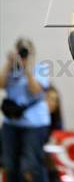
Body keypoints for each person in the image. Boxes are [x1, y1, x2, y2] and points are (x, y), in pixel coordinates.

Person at [0, 37, 50, 182]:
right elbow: (1, 84)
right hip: (11, 122)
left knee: (29, 166)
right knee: (9, 164)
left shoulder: (41, 69)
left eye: (25, 52)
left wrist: (28, 68)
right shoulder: (10, 69)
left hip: (34, 124)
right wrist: (9, 62)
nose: (22, 56)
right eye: (20, 51)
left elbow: (35, 90)